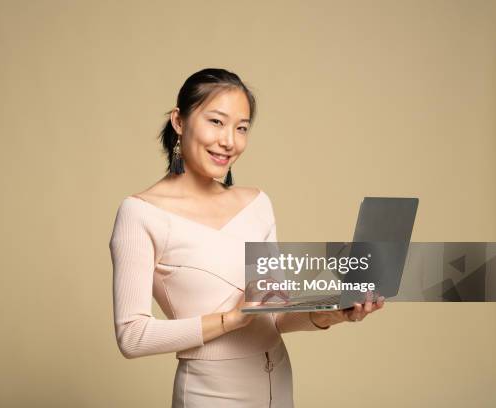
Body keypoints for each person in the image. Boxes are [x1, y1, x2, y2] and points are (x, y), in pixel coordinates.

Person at [108, 68, 385, 407]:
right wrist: (234, 318)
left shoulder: (256, 204)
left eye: (241, 128)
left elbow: (275, 314)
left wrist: (330, 314)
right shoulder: (141, 213)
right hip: (210, 393)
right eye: (216, 122)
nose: (230, 141)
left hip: (278, 381)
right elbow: (132, 336)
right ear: (179, 121)